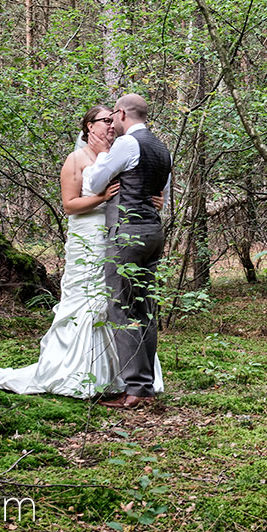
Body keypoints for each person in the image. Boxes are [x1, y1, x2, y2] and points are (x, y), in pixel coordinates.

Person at [0, 106, 163, 399]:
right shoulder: (75, 159)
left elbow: (140, 188)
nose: (111, 125)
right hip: (87, 234)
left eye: (113, 120)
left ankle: (120, 375)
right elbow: (69, 204)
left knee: (114, 301)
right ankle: (78, 372)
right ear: (89, 126)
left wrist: (152, 199)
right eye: (105, 120)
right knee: (86, 300)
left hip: (115, 235)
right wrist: (101, 197)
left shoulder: (121, 154)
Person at [86, 93, 172, 410]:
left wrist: (100, 157)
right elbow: (162, 194)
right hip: (154, 231)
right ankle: (144, 386)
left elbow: (95, 182)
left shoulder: (127, 144)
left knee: (120, 308)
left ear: (121, 113)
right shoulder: (162, 148)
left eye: (113, 116)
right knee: (145, 309)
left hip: (128, 233)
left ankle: (135, 389)